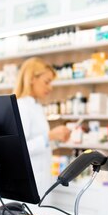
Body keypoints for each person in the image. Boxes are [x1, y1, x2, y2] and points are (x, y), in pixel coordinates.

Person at [14, 57, 71, 198]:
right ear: (32, 78)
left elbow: (40, 144)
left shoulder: (37, 106)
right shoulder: (22, 106)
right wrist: (49, 136)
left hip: (42, 180)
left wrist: (57, 140)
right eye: (47, 82)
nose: (50, 87)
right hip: (29, 180)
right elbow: (20, 149)